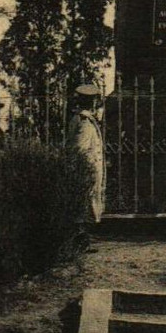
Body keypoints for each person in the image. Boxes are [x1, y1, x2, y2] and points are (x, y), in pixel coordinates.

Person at [68, 83, 106, 251]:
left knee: (86, 204)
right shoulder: (84, 122)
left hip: (87, 168)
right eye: (95, 101)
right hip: (86, 169)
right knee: (84, 204)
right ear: (91, 103)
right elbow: (79, 149)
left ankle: (82, 241)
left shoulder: (84, 119)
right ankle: (80, 243)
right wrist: (86, 169)